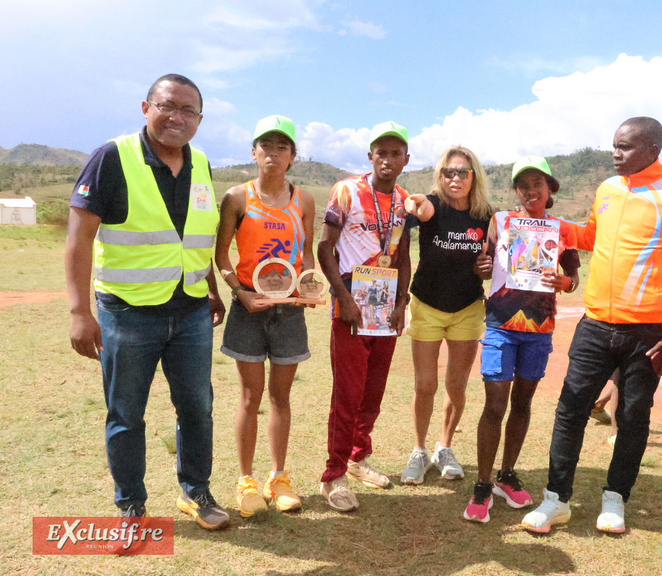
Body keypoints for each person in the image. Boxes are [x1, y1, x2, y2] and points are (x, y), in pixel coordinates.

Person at [522, 117, 662, 534]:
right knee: (570, 410)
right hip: (595, 325)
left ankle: (615, 499)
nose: (615, 153)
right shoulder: (607, 188)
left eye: (624, 147)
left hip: (650, 332)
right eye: (614, 146)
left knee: (635, 416)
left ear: (652, 150)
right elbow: (590, 236)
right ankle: (556, 500)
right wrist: (545, 224)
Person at [65, 74, 230, 529]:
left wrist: (211, 287)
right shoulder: (111, 158)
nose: (177, 117)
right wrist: (80, 312)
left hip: (192, 312)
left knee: (197, 408)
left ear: (200, 119)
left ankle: (197, 492)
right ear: (146, 107)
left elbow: (197, 235)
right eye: (167, 106)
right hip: (127, 313)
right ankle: (131, 508)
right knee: (126, 415)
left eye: (188, 111)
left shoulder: (201, 163)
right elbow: (79, 240)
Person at [464, 156, 580, 523]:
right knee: (495, 404)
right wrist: (479, 268)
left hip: (539, 329)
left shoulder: (561, 230)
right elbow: (482, 264)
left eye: (538, 185)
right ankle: (482, 484)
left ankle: (506, 475)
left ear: (550, 190)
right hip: (500, 324)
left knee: (523, 403)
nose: (531, 191)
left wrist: (566, 282)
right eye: (523, 186)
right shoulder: (500, 222)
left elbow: (573, 273)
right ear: (516, 190)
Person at [214, 115, 315, 517]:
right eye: (266, 146)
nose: (273, 153)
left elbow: (306, 251)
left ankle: (278, 478)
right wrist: (240, 292)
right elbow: (221, 256)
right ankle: (246, 482)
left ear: (292, 156)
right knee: (249, 397)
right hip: (249, 309)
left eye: (282, 147)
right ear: (253, 152)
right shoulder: (237, 198)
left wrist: (307, 284)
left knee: (281, 396)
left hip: (288, 311)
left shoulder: (303, 200)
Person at [316, 121, 412, 512]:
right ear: (369, 155)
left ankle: (358, 458)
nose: (387, 160)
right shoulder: (347, 190)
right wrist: (344, 297)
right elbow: (325, 248)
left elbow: (404, 254)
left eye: (395, 153)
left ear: (406, 159)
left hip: (385, 306)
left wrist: (402, 301)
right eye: (380, 152)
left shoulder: (405, 200)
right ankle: (333, 476)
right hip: (351, 306)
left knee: (373, 392)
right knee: (348, 394)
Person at [399, 146, 494, 485]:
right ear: (439, 177)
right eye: (448, 173)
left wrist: (486, 268)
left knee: (456, 385)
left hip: (467, 308)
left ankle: (444, 447)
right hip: (427, 305)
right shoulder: (433, 205)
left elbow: (489, 266)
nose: (455, 178)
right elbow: (419, 209)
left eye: (462, 173)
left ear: (474, 177)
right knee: (425, 384)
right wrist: (415, 203)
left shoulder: (486, 216)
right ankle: (419, 450)